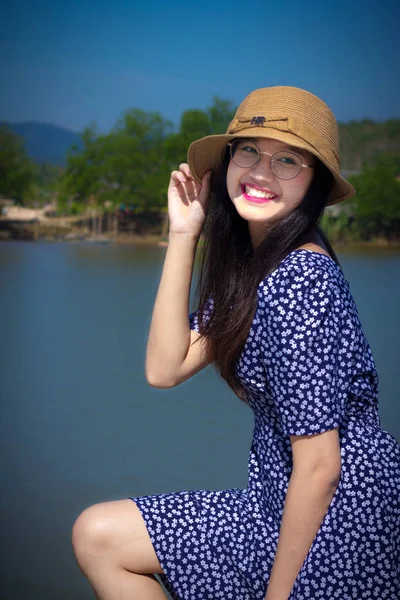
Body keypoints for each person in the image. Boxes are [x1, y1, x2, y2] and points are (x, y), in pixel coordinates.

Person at [72, 86, 400, 599]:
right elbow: (165, 368)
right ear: (226, 161)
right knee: (99, 537)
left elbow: (320, 465)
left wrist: (278, 595)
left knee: (101, 537)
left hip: (337, 525)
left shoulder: (301, 281)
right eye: (249, 150)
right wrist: (184, 234)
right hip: (272, 502)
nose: (261, 172)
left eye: (288, 160)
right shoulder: (255, 266)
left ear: (315, 183)